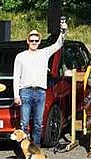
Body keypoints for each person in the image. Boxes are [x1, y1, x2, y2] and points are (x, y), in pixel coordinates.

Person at [13, 18, 67, 146]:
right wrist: (16, 95)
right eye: (31, 40)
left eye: (36, 41)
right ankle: (25, 149)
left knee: (38, 123)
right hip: (25, 92)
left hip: (40, 92)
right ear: (27, 41)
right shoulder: (20, 56)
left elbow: (58, 44)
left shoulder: (44, 53)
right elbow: (16, 76)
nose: (34, 42)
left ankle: (35, 148)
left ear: (39, 41)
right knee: (24, 124)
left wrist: (63, 31)